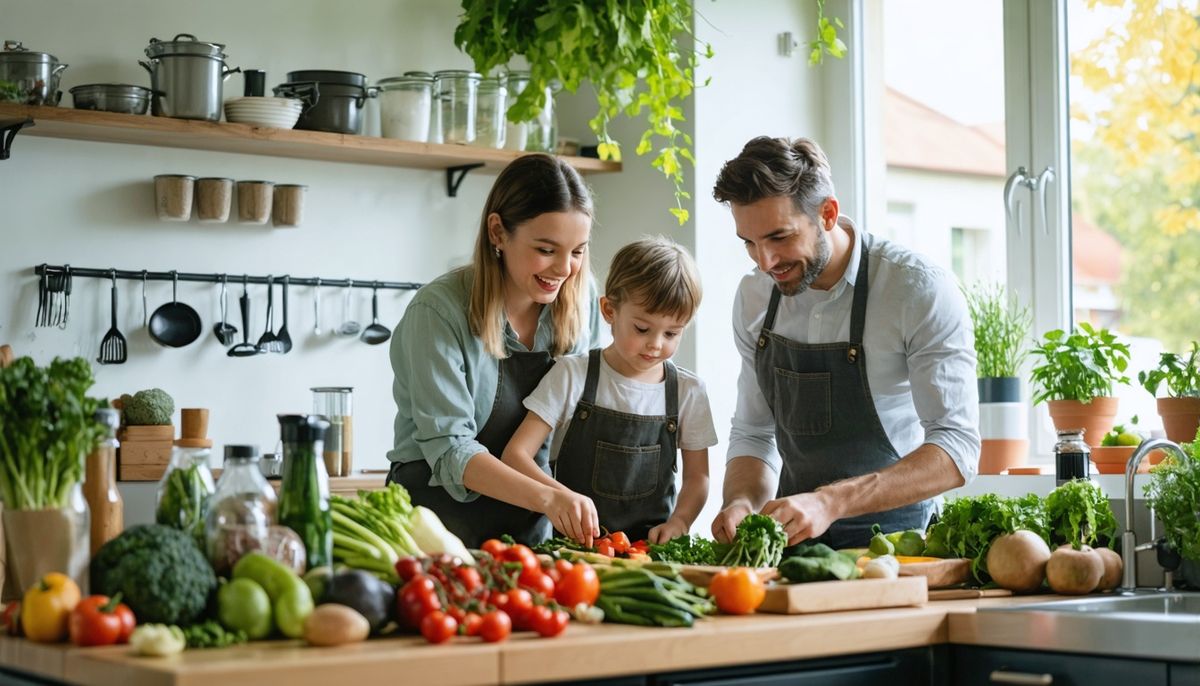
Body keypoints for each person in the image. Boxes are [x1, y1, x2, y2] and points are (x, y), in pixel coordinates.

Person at [710, 136, 980, 549]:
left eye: (779, 237)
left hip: (898, 548)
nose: (764, 262)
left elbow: (956, 447)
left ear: (828, 214)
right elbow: (754, 431)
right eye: (749, 242)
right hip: (794, 550)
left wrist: (829, 502)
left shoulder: (916, 290)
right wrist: (741, 501)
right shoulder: (754, 296)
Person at [386, 154, 602, 548]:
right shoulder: (436, 311)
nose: (564, 269)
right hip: (436, 522)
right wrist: (550, 497)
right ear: (498, 232)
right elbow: (451, 449)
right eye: (546, 249)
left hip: (531, 522)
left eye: (577, 251)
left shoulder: (582, 299)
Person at [503, 237, 716, 544]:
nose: (656, 344)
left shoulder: (688, 391)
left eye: (672, 332)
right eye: (642, 328)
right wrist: (560, 498)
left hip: (648, 554)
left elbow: (698, 477)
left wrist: (681, 521)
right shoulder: (572, 374)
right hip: (574, 549)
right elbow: (516, 455)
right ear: (609, 310)